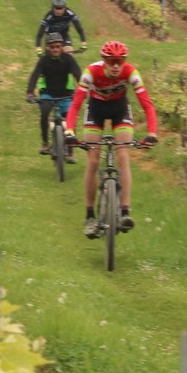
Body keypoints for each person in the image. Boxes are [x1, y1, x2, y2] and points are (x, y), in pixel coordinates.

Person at [65, 40, 159, 237]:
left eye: (120, 61)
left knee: (123, 156)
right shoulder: (91, 72)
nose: (116, 66)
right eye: (111, 61)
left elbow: (147, 105)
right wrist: (69, 131)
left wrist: (152, 133)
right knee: (93, 160)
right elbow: (76, 104)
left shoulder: (131, 73)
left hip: (119, 110)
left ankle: (125, 212)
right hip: (96, 110)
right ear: (104, 61)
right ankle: (90, 216)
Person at [25, 34, 82, 153]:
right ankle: (45, 143)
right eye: (52, 47)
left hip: (65, 94)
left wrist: (82, 89)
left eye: (58, 46)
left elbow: (77, 74)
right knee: (44, 113)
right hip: (48, 94)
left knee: (70, 119)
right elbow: (35, 75)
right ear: (47, 47)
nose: (55, 49)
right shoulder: (43, 60)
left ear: (62, 47)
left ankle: (70, 150)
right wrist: (30, 92)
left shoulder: (68, 59)